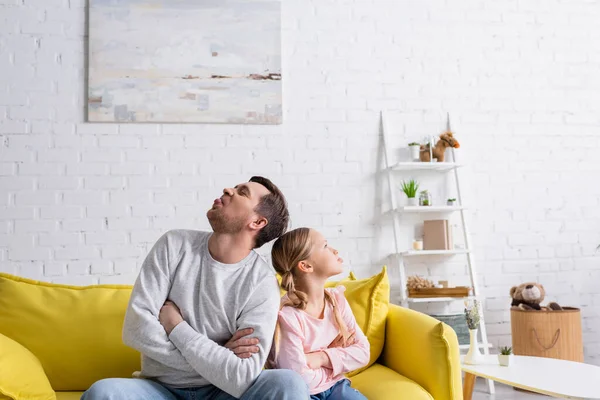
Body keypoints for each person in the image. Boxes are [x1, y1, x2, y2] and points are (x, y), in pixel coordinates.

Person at [82, 176, 308, 400]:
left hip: (225, 393)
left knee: (289, 383)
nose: (228, 189)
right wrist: (221, 356)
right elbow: (136, 329)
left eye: (242, 193)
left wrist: (176, 326)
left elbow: (243, 375)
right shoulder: (174, 245)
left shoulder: (261, 282)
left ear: (257, 222)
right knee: (102, 393)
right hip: (159, 391)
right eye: (235, 187)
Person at [268, 227, 369, 400]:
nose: (334, 250)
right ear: (306, 265)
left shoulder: (337, 301)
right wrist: (335, 364)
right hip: (302, 394)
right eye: (325, 246)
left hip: (337, 387)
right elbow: (298, 379)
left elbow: (363, 353)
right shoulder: (287, 316)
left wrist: (321, 357)